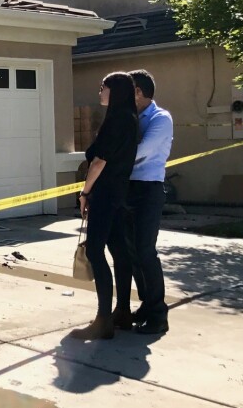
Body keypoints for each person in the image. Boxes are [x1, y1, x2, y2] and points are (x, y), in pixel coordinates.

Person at [70, 72, 139, 341]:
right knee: (120, 252)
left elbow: (99, 162)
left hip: (105, 194)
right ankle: (122, 310)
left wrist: (85, 192)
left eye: (103, 87)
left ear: (115, 91)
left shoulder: (117, 121)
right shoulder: (130, 120)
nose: (99, 92)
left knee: (96, 252)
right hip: (120, 194)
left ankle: (103, 320)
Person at [108, 69, 173, 335]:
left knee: (146, 251)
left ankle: (158, 315)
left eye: (127, 90)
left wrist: (110, 160)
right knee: (131, 252)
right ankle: (146, 305)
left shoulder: (160, 118)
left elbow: (141, 151)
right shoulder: (130, 117)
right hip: (128, 188)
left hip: (148, 191)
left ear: (137, 92)